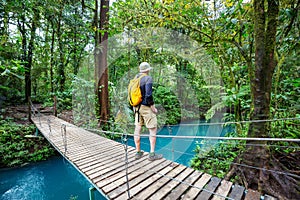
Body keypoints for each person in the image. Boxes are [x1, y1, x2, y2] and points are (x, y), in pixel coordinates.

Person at [133, 62, 163, 161]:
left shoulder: (135, 78)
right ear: (147, 70)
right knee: (152, 129)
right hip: (146, 107)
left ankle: (138, 152)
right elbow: (148, 95)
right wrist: (153, 108)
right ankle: (152, 154)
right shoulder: (148, 78)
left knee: (137, 128)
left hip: (136, 107)